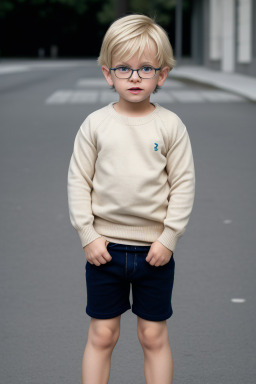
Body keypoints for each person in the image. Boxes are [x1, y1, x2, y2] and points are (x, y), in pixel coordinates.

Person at [67, 13, 195, 384]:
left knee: (153, 336)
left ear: (163, 74)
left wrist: (169, 237)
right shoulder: (95, 125)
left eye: (145, 68)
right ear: (108, 74)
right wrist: (87, 235)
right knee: (102, 335)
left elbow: (183, 184)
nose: (135, 77)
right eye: (124, 68)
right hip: (104, 249)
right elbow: (79, 181)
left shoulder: (170, 125)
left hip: (155, 252)